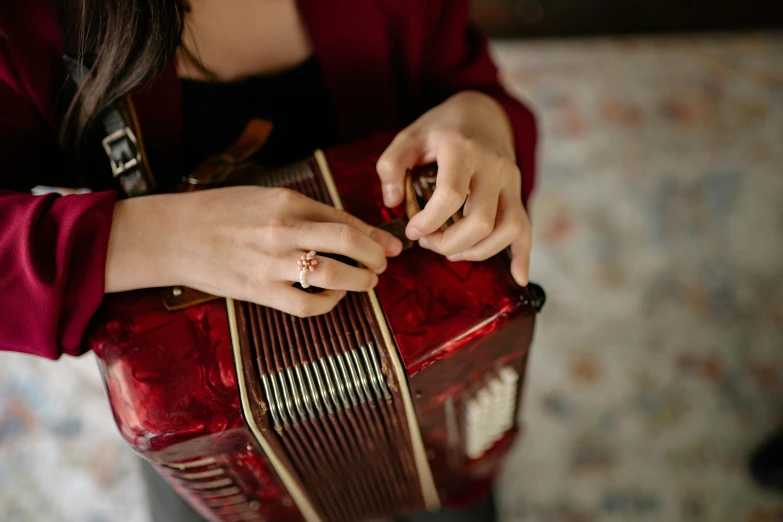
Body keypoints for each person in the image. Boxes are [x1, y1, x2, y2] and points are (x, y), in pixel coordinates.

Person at [0, 0, 538, 520]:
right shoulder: (24, 20)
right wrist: (157, 238)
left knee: (452, 489)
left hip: (431, 385)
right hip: (209, 431)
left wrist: (484, 117)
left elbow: (462, 85)